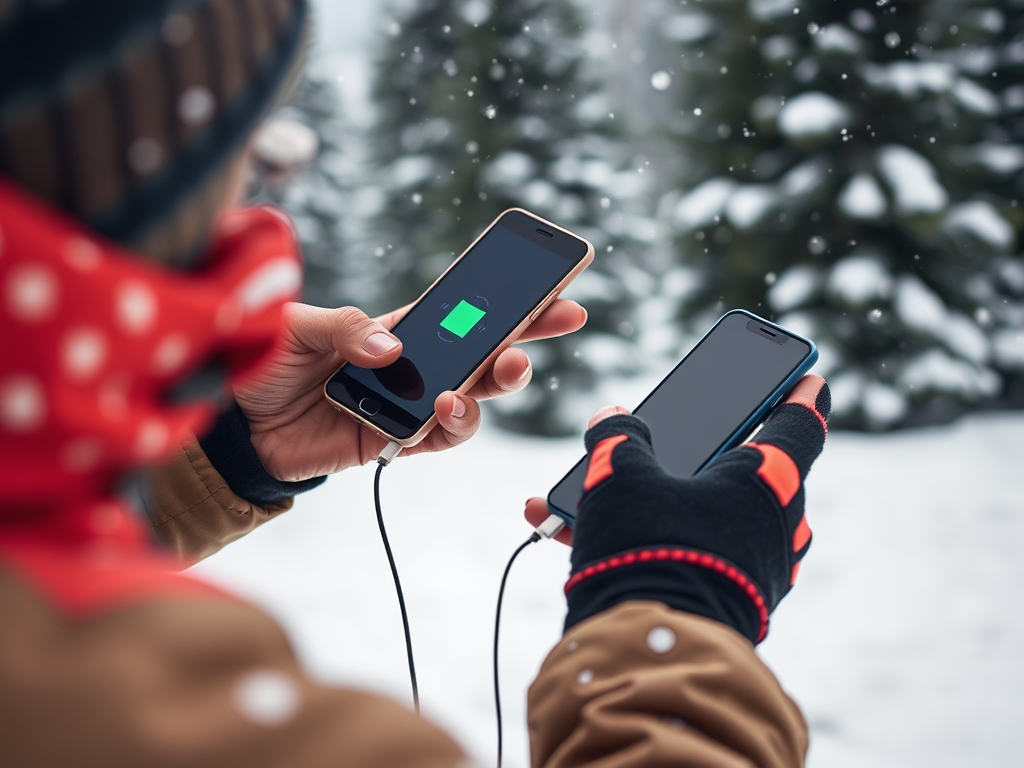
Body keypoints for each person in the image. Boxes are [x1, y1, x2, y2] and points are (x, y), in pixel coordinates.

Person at [0, 1, 830, 766]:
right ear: (133, 194)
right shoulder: (142, 713)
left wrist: (225, 452)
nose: (274, 179)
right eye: (254, 145)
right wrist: (676, 607)